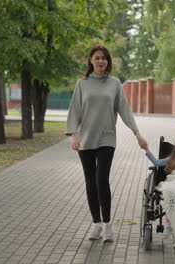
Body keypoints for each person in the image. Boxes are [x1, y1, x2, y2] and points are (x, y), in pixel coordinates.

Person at [66, 45, 147, 242]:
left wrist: (137, 133)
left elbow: (124, 109)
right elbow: (74, 110)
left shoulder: (114, 83)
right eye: (97, 57)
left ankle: (108, 225)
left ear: (108, 61)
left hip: (107, 138)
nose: (101, 61)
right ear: (91, 60)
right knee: (90, 182)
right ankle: (96, 224)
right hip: (86, 139)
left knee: (102, 179)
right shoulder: (82, 84)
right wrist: (73, 135)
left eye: (104, 58)